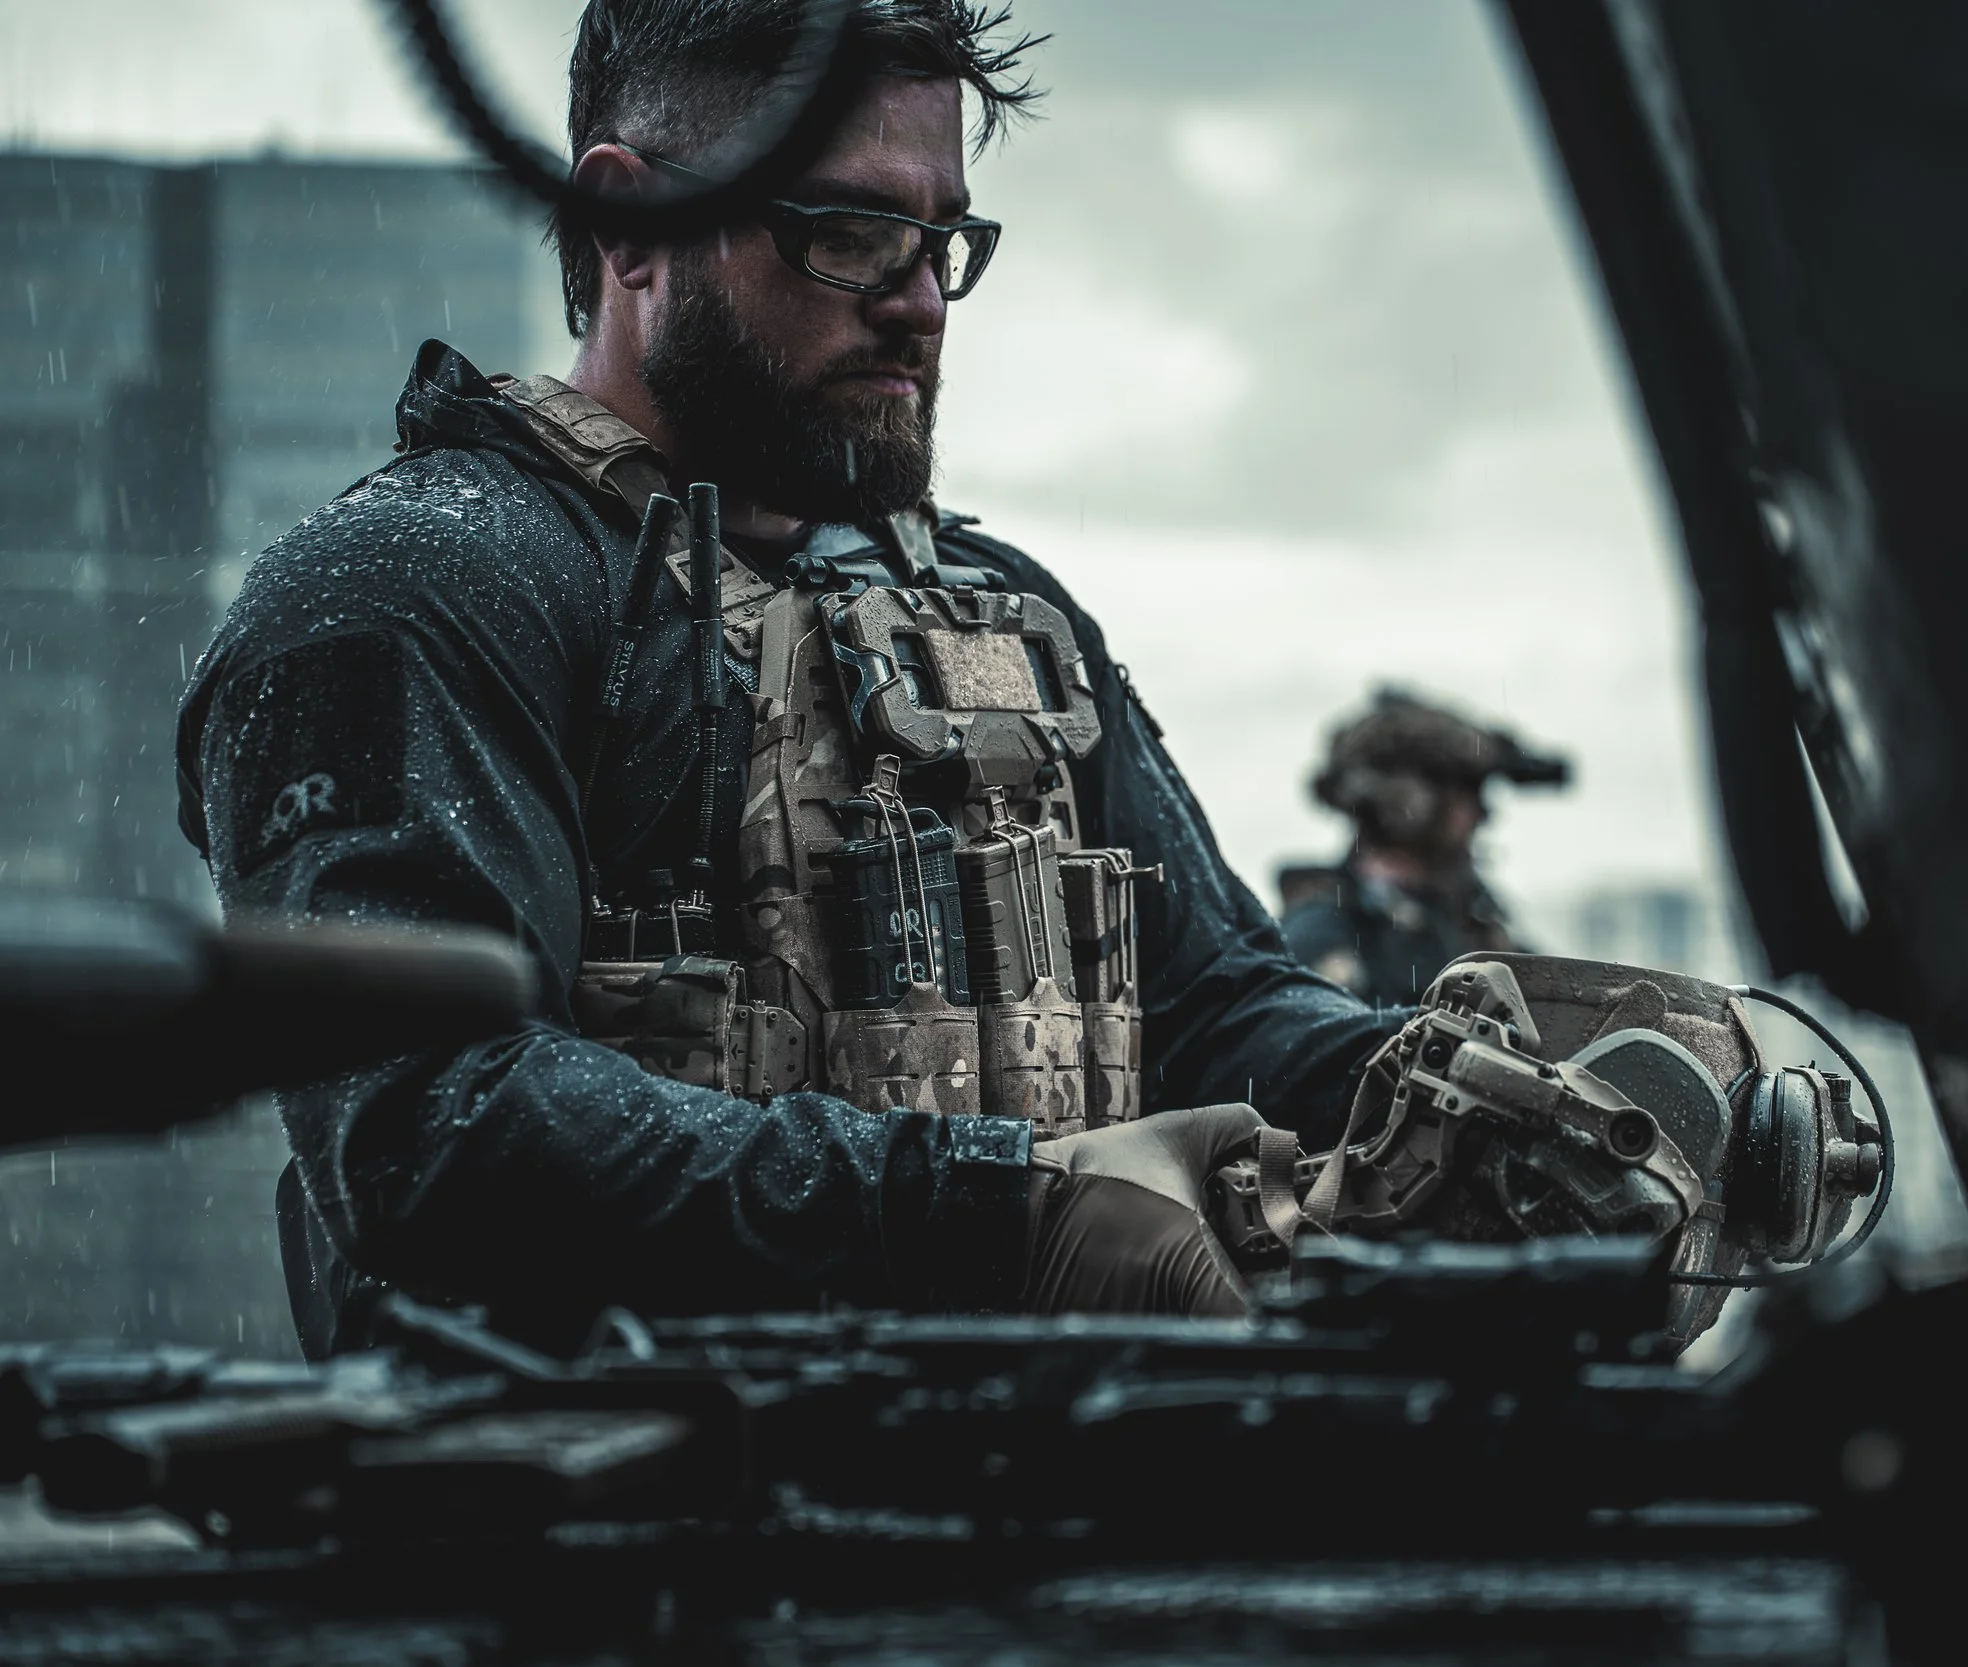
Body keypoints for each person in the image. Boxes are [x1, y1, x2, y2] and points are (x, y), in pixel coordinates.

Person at [174, 0, 1399, 1357]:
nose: (918, 302)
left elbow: (1216, 1001)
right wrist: (1001, 1214)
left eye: (946, 243)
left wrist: (1464, 1082)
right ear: (630, 226)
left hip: (1035, 1518)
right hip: (602, 1537)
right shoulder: (424, 589)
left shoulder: (1006, 613)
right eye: (851, 234)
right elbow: (432, 1124)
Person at [1278, 688, 1569, 1003]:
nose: (1483, 814)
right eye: (1469, 792)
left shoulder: (1471, 920)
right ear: (1412, 802)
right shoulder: (1324, 932)